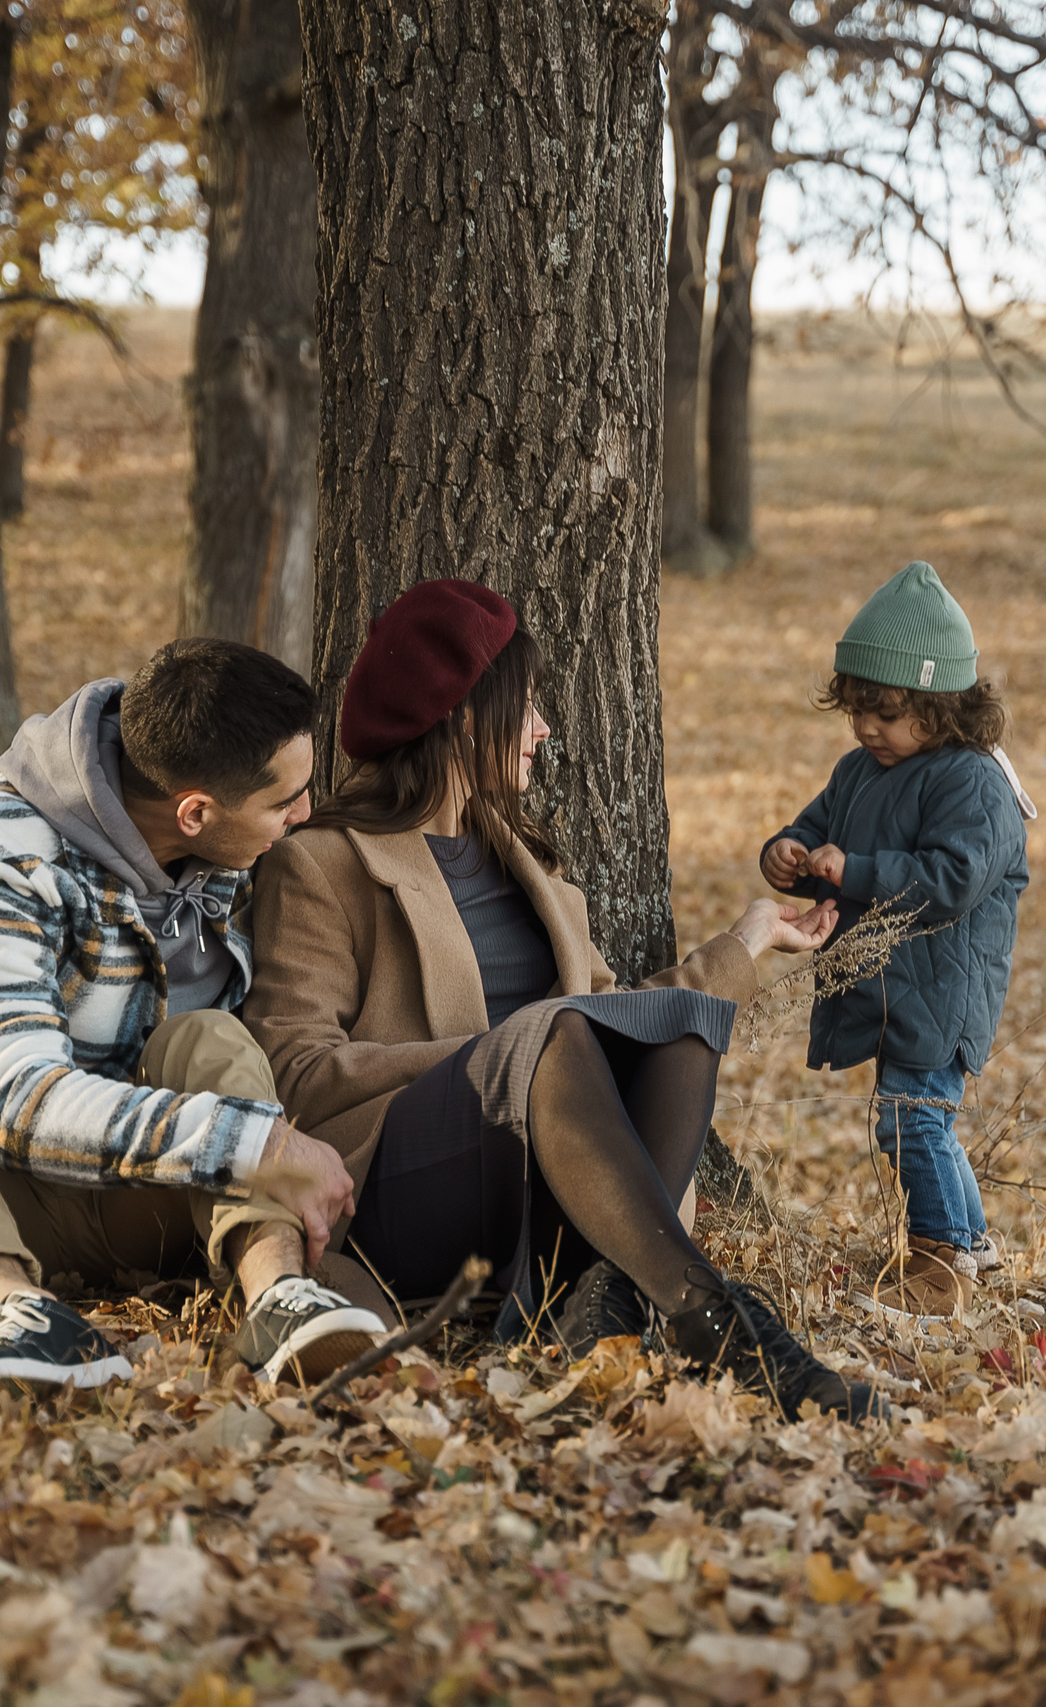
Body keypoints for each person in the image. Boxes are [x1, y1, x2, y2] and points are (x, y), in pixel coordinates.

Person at [244, 580, 883, 1422]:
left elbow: (615, 1025)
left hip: (539, 1179)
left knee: (680, 1030)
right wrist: (504, 1053)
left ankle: (595, 1304)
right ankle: (705, 1310)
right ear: (464, 719)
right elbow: (294, 1074)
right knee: (554, 1038)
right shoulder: (324, 864)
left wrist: (747, 944)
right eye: (528, 708)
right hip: (401, 1187)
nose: (545, 728)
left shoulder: (533, 869)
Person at [0, 641, 390, 1397]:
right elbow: (20, 1106)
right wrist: (255, 1141)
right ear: (194, 812)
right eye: (282, 801)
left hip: (144, 1190)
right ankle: (19, 1315)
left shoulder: (215, 828)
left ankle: (277, 1298)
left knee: (208, 1036)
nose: (302, 814)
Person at [761, 560, 1035, 1321]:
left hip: (945, 981)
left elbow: (954, 877)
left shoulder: (972, 783)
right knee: (920, 1115)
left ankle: (938, 1264)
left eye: (886, 713)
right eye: (857, 711)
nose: (867, 728)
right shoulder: (859, 771)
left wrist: (859, 871)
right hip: (893, 981)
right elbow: (819, 830)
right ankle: (973, 1246)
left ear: (941, 705)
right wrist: (787, 852)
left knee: (910, 1114)